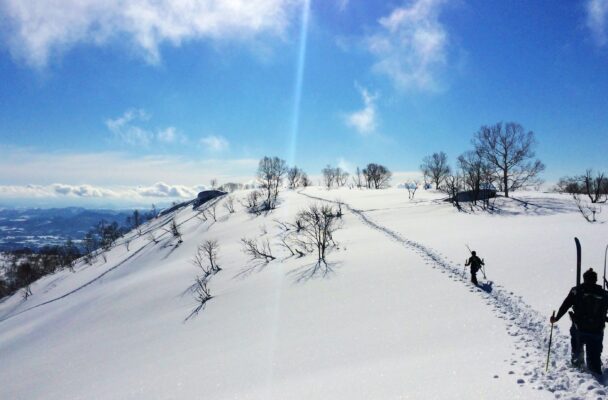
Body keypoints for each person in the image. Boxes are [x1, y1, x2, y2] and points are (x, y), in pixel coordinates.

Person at [550, 268, 608, 374]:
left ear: (584, 278)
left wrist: (556, 318)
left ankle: (578, 369)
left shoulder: (576, 291)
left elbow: (565, 305)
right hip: (596, 331)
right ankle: (595, 372)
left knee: (577, 352)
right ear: (596, 280)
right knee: (594, 358)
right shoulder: (604, 294)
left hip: (579, 329)